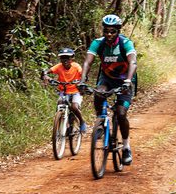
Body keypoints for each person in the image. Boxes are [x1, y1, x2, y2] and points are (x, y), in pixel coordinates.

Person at [78, 14, 137, 165]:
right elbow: (87, 62)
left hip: (125, 80)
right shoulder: (98, 43)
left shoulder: (126, 43)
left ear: (118, 32)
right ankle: (101, 123)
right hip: (107, 78)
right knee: (98, 93)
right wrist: (82, 80)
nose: (109, 34)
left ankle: (126, 147)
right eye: (106, 31)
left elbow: (133, 63)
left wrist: (128, 81)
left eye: (113, 31)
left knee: (122, 113)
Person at [42, 48, 86, 133]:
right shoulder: (59, 67)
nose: (65, 60)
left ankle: (81, 121)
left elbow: (83, 74)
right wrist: (45, 75)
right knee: (59, 104)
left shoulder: (76, 67)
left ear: (72, 59)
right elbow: (48, 71)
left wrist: (83, 81)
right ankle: (59, 125)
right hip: (64, 90)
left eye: (67, 57)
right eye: (62, 58)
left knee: (74, 107)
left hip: (76, 90)